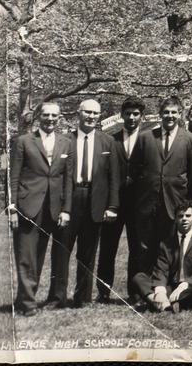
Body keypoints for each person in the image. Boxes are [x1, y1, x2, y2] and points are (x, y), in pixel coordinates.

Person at [8, 102, 73, 316]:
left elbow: (67, 179)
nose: (50, 119)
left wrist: (66, 209)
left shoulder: (66, 142)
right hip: (28, 205)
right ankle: (27, 304)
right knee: (26, 255)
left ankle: (24, 298)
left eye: (55, 115)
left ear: (60, 117)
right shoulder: (23, 141)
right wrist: (13, 208)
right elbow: (14, 176)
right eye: (46, 115)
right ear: (39, 117)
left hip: (53, 207)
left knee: (39, 255)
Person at [58, 98, 121, 309]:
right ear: (78, 113)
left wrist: (112, 206)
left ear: (100, 116)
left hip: (95, 201)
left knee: (87, 252)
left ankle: (82, 296)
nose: (91, 117)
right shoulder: (65, 139)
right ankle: (57, 296)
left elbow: (114, 177)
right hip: (71, 198)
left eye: (95, 113)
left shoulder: (107, 142)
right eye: (87, 112)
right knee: (62, 250)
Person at [139, 97, 192, 275]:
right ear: (160, 114)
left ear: (180, 114)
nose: (170, 116)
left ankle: (166, 287)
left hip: (174, 202)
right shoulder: (146, 138)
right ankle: (142, 291)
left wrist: (181, 194)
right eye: (166, 112)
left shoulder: (189, 139)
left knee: (170, 247)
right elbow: (137, 170)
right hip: (148, 202)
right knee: (145, 247)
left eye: (174, 112)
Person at [98, 97, 147, 303]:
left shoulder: (148, 139)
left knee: (136, 249)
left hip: (138, 204)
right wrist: (110, 203)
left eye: (136, 114)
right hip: (115, 203)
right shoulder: (111, 140)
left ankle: (135, 292)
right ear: (121, 116)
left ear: (141, 117)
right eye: (128, 114)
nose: (132, 117)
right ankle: (104, 290)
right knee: (108, 247)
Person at [130, 201, 192, 313]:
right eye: (180, 216)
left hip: (191, 286)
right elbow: (161, 270)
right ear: (175, 219)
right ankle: (166, 304)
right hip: (172, 286)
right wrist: (160, 291)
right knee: (139, 278)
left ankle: (156, 303)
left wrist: (183, 286)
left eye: (188, 216)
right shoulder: (166, 243)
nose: (184, 219)